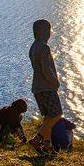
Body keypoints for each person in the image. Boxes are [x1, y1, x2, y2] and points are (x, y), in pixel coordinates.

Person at [28, 19, 62, 154]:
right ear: (41, 32)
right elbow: (46, 69)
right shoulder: (44, 47)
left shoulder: (33, 46)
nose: (49, 33)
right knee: (57, 114)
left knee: (48, 116)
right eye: (47, 30)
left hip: (37, 87)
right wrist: (55, 82)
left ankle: (47, 145)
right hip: (46, 87)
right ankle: (37, 139)